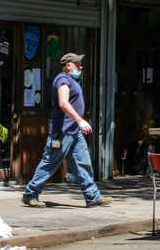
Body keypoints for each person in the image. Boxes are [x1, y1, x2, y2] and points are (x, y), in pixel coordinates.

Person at [22, 53, 112, 208]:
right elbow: (63, 103)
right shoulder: (62, 80)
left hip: (73, 131)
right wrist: (80, 120)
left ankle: (92, 196)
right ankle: (30, 194)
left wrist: (77, 124)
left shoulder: (71, 80)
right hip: (62, 131)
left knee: (83, 163)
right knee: (49, 163)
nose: (81, 67)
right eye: (78, 64)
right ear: (69, 65)